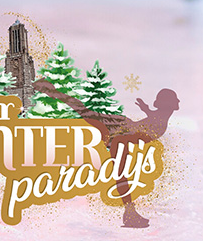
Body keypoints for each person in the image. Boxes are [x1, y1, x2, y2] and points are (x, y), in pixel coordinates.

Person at [33, 78, 180, 228]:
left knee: (121, 174)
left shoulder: (160, 119)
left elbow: (149, 121)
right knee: (120, 174)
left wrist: (144, 110)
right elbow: (145, 127)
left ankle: (130, 213)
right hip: (120, 133)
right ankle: (49, 89)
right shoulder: (161, 120)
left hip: (122, 135)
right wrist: (119, 142)